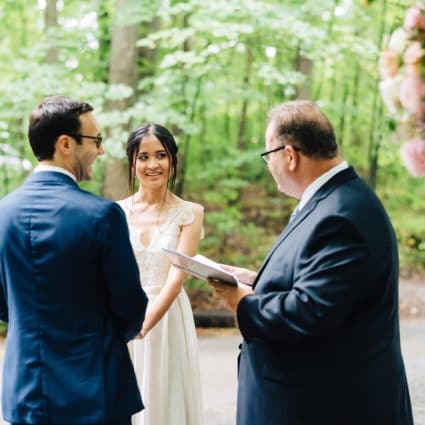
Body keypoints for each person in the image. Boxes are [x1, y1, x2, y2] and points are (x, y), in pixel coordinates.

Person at [212, 100, 414, 425]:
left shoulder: (342, 215)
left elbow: (311, 312)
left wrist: (242, 302)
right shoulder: (334, 200)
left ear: (290, 156)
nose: (269, 165)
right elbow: (319, 281)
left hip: (325, 405)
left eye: (268, 155)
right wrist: (256, 281)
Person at [0, 96, 148, 425]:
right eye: (95, 140)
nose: (101, 150)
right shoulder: (102, 215)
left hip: (26, 391)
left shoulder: (2, 214)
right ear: (65, 144)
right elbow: (130, 304)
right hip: (94, 389)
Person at [117, 123, 204, 425]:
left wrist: (145, 324)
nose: (153, 164)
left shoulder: (190, 213)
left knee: (165, 401)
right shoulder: (115, 212)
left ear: (173, 160)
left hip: (167, 317)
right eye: (143, 157)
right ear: (132, 162)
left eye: (161, 155)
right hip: (124, 317)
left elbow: (177, 276)